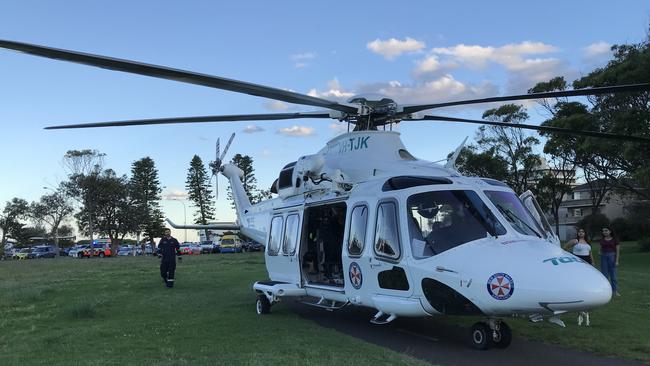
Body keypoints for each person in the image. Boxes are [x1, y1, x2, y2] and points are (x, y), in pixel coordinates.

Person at [564, 228, 594, 326]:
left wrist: (592, 262)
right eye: (580, 232)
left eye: (583, 231)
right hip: (578, 261)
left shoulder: (587, 243)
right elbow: (565, 248)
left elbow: (590, 253)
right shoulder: (575, 241)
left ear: (585, 233)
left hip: (587, 261)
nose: (581, 233)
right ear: (578, 233)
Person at [599, 227, 620, 296]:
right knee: (604, 275)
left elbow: (617, 251)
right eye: (603, 231)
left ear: (610, 231)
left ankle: (615, 291)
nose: (604, 232)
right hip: (603, 257)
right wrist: (600, 252)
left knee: (613, 275)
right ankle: (606, 291)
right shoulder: (602, 239)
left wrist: (616, 261)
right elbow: (600, 248)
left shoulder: (615, 240)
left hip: (612, 256)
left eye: (606, 231)